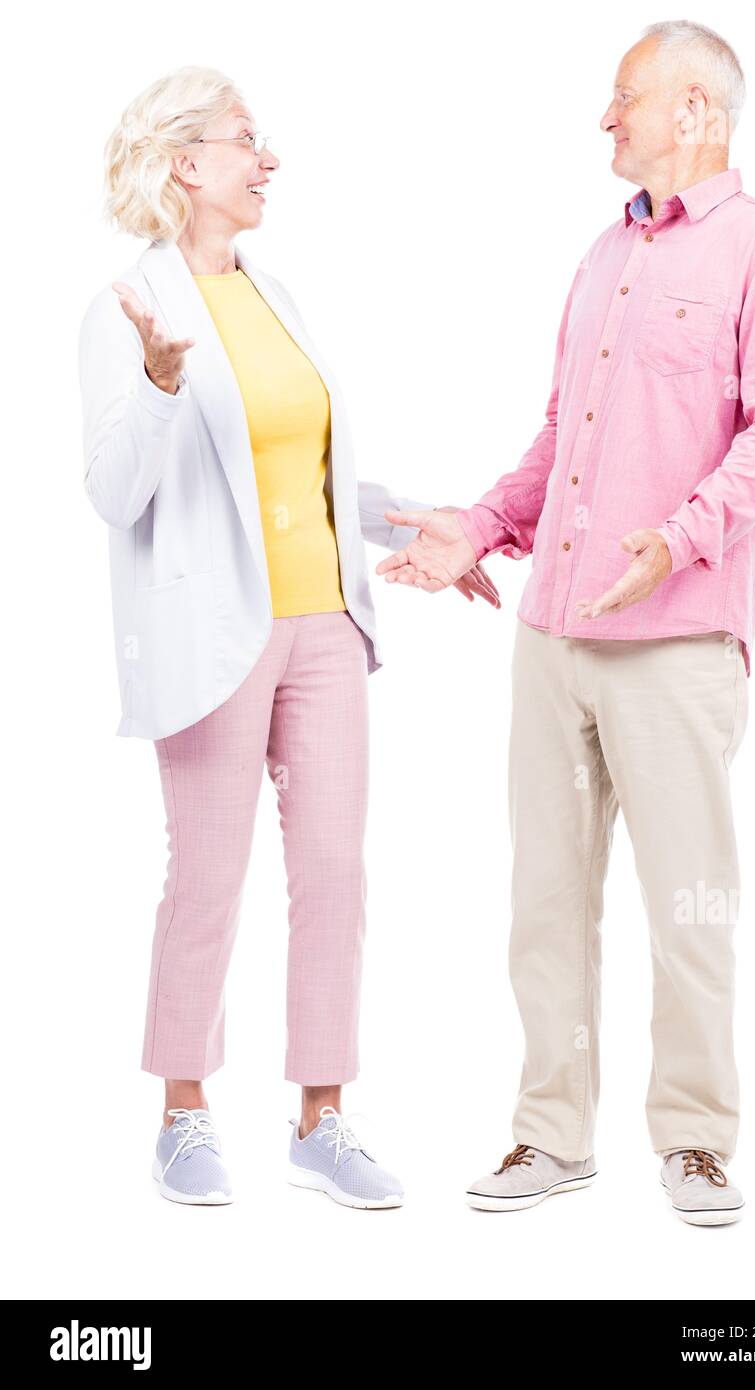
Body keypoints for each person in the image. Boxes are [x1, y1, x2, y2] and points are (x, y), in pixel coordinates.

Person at [375, 20, 755, 1224]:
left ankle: (693, 1142)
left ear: (695, 111)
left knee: (687, 901)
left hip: (675, 644)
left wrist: (674, 541)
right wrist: (476, 527)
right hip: (550, 640)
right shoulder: (599, 256)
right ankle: (548, 1136)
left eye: (622, 99)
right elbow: (559, 440)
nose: (604, 119)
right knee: (544, 903)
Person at [78, 65, 499, 1209]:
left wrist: (412, 516)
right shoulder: (129, 308)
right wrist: (161, 385)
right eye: (246, 141)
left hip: (323, 622)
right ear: (186, 164)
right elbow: (116, 493)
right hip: (215, 634)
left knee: (332, 873)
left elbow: (300, 469)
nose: (268, 161)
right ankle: (181, 1115)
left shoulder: (275, 296)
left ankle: (321, 1116)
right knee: (208, 874)